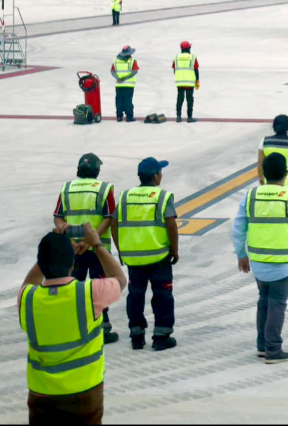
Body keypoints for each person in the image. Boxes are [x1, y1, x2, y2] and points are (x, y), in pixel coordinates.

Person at [19, 224, 126, 424]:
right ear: (73, 264)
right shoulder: (89, 293)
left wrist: (50, 248)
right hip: (84, 396)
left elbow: (28, 283)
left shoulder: (27, 298)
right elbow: (119, 279)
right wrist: (97, 244)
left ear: (42, 262)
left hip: (42, 396)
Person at [232, 153, 288, 364]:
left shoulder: (251, 196)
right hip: (284, 263)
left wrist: (242, 255)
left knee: (264, 300)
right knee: (277, 302)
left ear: (264, 174)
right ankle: (273, 349)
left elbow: (238, 228)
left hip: (258, 261)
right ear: (286, 175)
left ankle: (262, 344)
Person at [53, 153, 120, 344]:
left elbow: (58, 217)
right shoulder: (104, 189)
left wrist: (69, 237)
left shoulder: (67, 188)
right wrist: (91, 242)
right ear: (97, 170)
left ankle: (74, 326)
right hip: (97, 249)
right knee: (100, 287)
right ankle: (103, 327)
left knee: (73, 287)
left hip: (73, 249)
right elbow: (109, 217)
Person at [115, 158, 178, 351]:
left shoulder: (125, 196)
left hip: (133, 257)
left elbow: (114, 224)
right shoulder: (162, 197)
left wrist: (120, 250)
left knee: (135, 294)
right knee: (162, 294)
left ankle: (136, 334)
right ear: (156, 176)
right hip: (159, 257)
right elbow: (171, 225)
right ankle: (161, 336)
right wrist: (174, 249)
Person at [259, 114, 288, 192]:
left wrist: (261, 178)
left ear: (273, 126)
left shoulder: (265, 142)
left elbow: (260, 163)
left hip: (271, 179)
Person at [172, 41, 199, 123]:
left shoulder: (176, 57)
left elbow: (174, 69)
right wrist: (197, 80)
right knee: (189, 98)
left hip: (180, 82)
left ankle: (178, 116)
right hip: (190, 82)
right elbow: (196, 70)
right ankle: (189, 117)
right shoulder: (192, 57)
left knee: (180, 98)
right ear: (189, 48)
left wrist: (178, 77)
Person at [109, 45, 138, 123]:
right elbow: (134, 72)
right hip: (129, 85)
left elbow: (112, 71)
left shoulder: (115, 60)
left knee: (119, 100)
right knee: (128, 100)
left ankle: (119, 116)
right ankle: (129, 117)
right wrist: (125, 78)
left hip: (119, 84)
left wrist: (118, 78)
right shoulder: (132, 60)